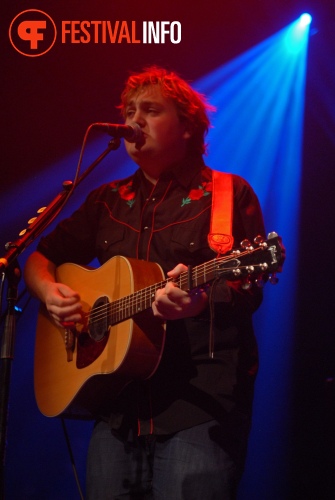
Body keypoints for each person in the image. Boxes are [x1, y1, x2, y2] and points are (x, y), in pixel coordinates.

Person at [24, 66, 266, 499]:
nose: (134, 121)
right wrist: (49, 292)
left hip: (199, 407)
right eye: (129, 111)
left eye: (150, 111)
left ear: (187, 126)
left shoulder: (228, 195)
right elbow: (41, 258)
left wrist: (198, 302)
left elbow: (249, 287)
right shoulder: (107, 200)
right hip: (115, 408)